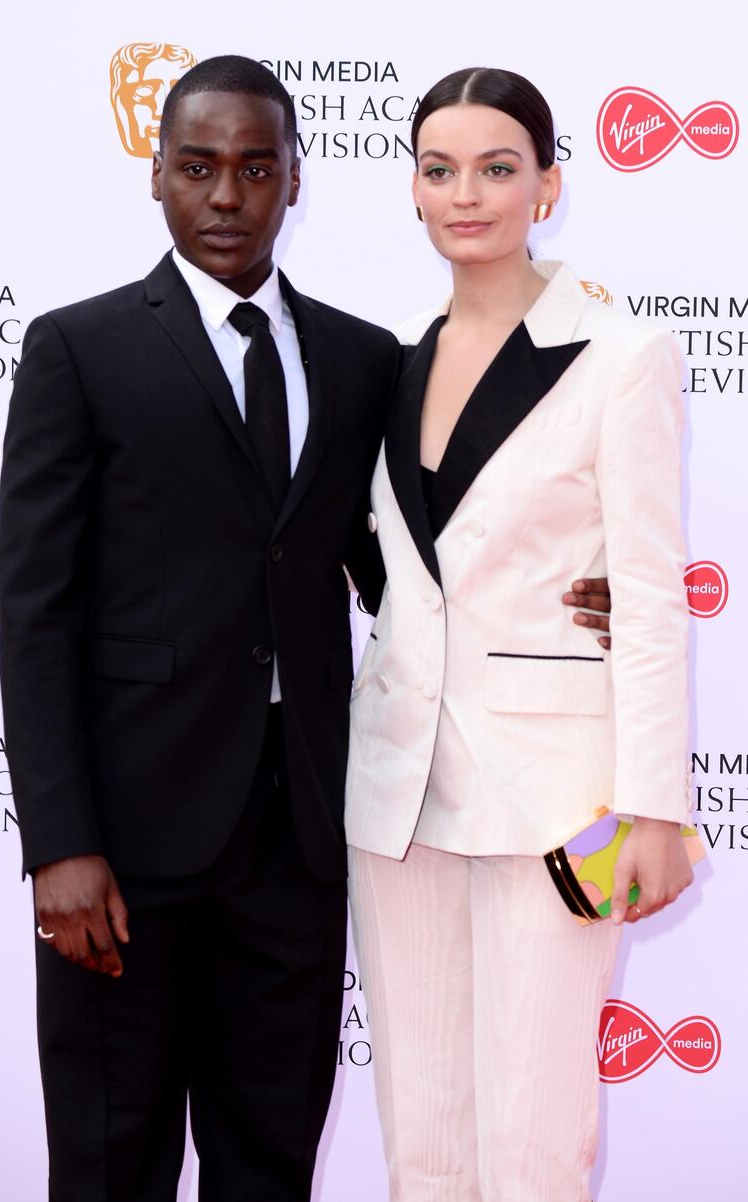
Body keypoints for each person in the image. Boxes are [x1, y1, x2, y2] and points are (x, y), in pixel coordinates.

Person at [0, 55, 401, 1202]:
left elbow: (397, 573)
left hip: (297, 839)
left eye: (255, 168)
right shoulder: (79, 349)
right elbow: (34, 611)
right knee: (110, 1159)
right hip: (121, 849)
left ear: (292, 182)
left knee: (269, 1160)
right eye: (199, 166)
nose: (226, 195)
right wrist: (59, 842)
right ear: (159, 178)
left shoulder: (364, 358)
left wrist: (559, 593)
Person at [345, 67, 694, 1202]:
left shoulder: (615, 354)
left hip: (555, 791)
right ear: (409, 187)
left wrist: (657, 805)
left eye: (498, 168)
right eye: (439, 168)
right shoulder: (386, 363)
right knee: (422, 1136)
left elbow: (644, 596)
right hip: (396, 790)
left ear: (547, 184)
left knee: (534, 1138)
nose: (467, 194)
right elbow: (388, 566)